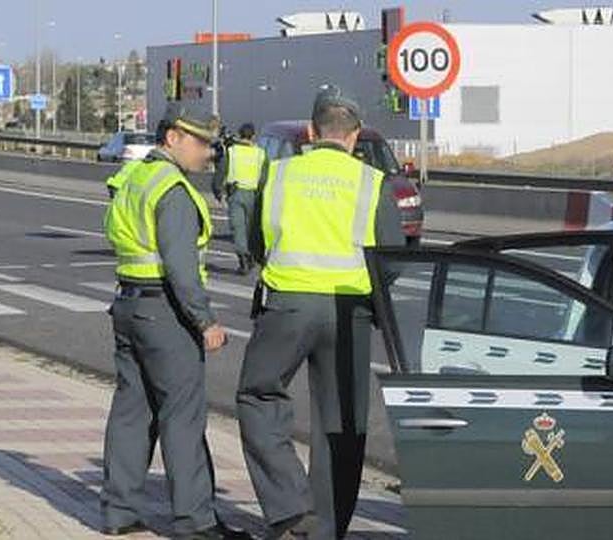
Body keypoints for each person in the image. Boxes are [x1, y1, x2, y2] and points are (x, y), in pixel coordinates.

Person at [236, 86, 405, 539]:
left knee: (258, 395)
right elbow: (392, 258)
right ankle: (326, 530)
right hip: (350, 312)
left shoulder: (280, 174)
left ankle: (291, 505)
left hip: (287, 304)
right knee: (341, 424)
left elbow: (256, 240)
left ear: (311, 132)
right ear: (355, 135)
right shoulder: (372, 182)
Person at [101, 104, 247, 540]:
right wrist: (205, 321)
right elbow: (181, 269)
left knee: (131, 413)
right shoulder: (174, 190)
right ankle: (195, 521)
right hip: (165, 313)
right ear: (172, 138)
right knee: (182, 417)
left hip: (128, 304)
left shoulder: (134, 176)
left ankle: (118, 513)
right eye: (200, 142)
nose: (208, 152)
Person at [213, 123, 268, 275]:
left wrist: (217, 191)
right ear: (253, 136)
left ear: (239, 135)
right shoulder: (260, 154)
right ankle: (253, 255)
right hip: (253, 195)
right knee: (251, 228)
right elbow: (264, 177)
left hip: (235, 193)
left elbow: (221, 172)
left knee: (238, 228)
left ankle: (243, 258)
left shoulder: (231, 152)